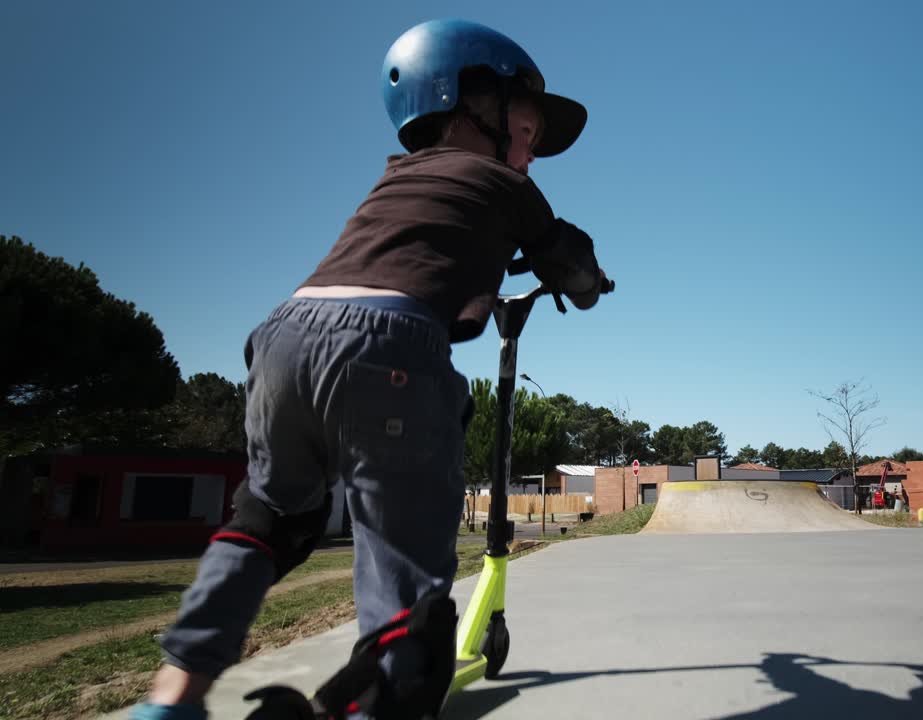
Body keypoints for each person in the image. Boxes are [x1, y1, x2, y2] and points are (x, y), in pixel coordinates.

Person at [129, 18, 607, 720]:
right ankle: (375, 701)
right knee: (405, 566)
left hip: (282, 340)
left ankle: (172, 697)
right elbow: (565, 253)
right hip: (388, 345)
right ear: (471, 102)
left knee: (269, 522)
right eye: (528, 136)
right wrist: (591, 283)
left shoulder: (393, 180)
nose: (529, 157)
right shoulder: (499, 183)